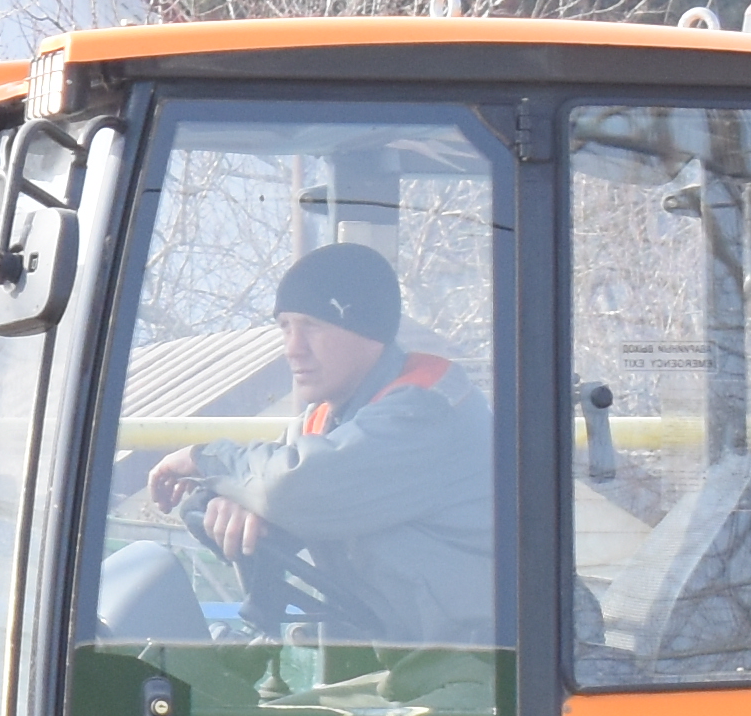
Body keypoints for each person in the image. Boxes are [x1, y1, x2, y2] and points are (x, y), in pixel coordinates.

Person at [142, 242, 499, 645]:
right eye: (285, 327)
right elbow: (270, 480)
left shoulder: (425, 410)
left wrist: (204, 458)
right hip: (408, 656)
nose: (293, 348)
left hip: (490, 667)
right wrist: (237, 499)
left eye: (311, 325)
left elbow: (292, 484)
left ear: (368, 330)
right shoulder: (327, 420)